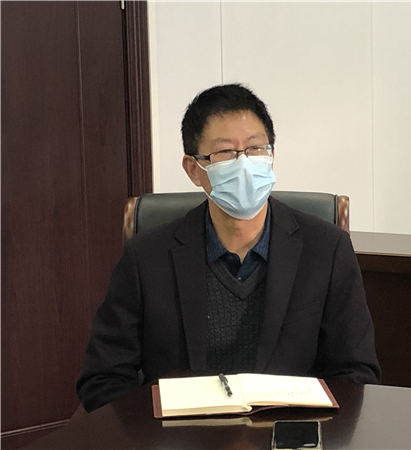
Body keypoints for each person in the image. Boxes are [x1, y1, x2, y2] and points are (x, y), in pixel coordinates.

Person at [76, 84, 381, 412]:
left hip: (287, 430)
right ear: (194, 169)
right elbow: (102, 379)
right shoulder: (146, 257)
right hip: (182, 433)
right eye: (225, 153)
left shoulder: (326, 249)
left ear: (272, 155)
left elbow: (356, 374)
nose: (244, 164)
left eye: (255, 149)